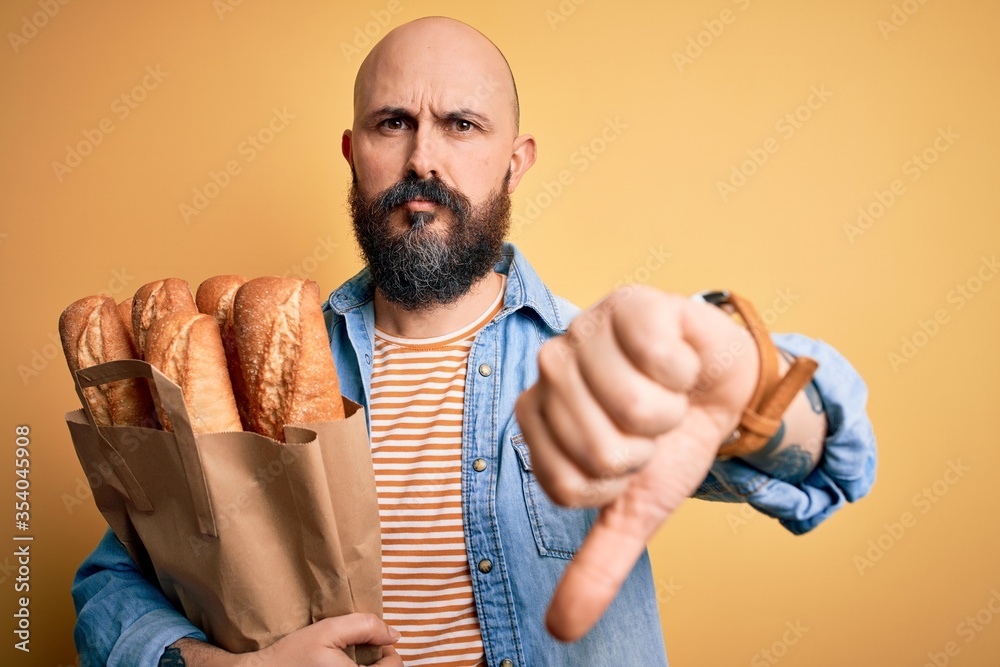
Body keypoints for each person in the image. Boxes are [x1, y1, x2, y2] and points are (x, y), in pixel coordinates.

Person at [71, 16, 876, 667]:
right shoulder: (256, 383)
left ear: (514, 162)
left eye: (462, 124)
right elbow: (111, 584)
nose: (424, 158)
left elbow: (834, 458)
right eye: (394, 123)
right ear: (354, 156)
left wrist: (749, 389)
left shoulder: (593, 364)